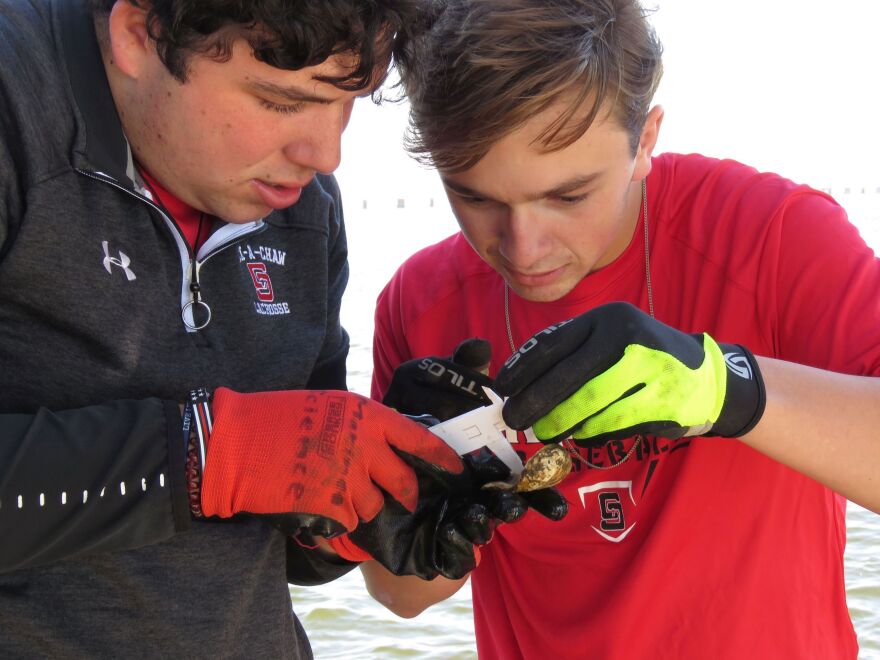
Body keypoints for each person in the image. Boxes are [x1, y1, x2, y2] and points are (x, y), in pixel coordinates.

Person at [0, 0, 552, 656]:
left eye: (348, 101)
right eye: (282, 102)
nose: (324, 154)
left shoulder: (301, 205)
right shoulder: (17, 101)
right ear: (137, 31)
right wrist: (212, 454)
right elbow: (233, 462)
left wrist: (372, 496)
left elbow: (283, 547)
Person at [360, 0, 880, 658]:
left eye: (568, 196)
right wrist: (430, 493)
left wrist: (727, 389)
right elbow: (399, 597)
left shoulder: (772, 234)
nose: (523, 247)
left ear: (645, 141)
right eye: (477, 197)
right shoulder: (419, 303)